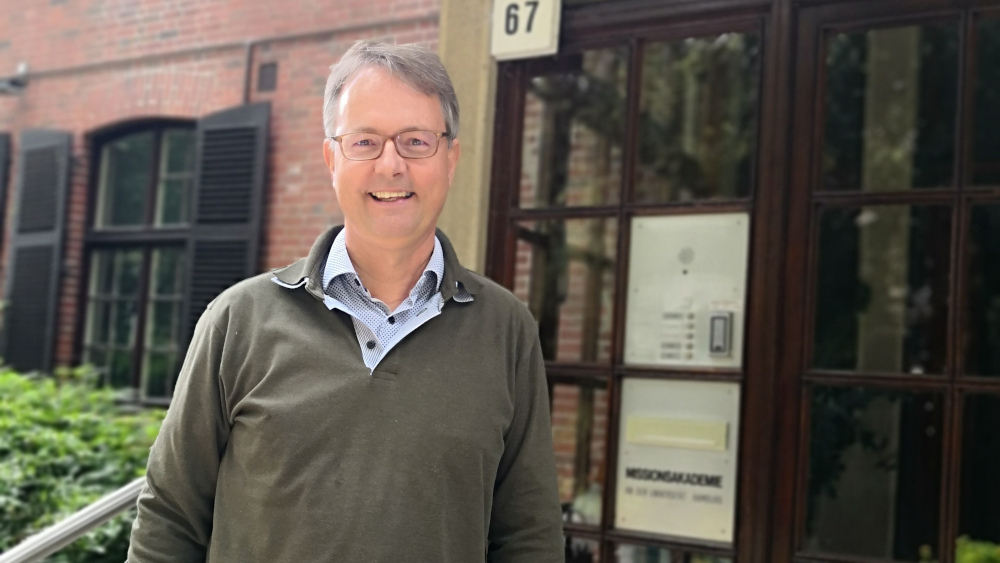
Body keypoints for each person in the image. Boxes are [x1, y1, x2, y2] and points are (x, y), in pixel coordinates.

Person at [126, 40, 564, 562]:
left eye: (416, 141)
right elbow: (170, 519)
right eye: (365, 142)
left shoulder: (506, 331)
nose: (391, 165)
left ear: (451, 158)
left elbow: (530, 536)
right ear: (332, 158)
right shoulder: (238, 321)